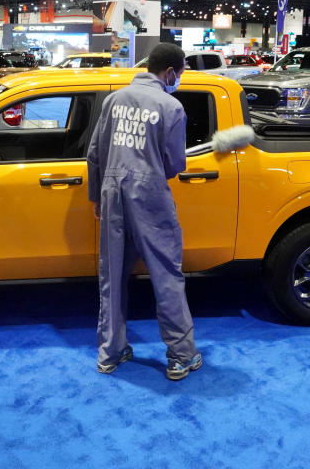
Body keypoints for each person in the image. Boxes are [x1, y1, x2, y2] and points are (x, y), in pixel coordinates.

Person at [86, 43, 202, 381]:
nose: (177, 80)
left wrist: (97, 198)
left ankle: (110, 352)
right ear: (169, 73)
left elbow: (95, 154)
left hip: (112, 193)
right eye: (178, 75)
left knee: (112, 274)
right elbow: (175, 164)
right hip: (149, 193)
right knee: (166, 274)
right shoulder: (170, 106)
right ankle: (180, 356)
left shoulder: (113, 100)